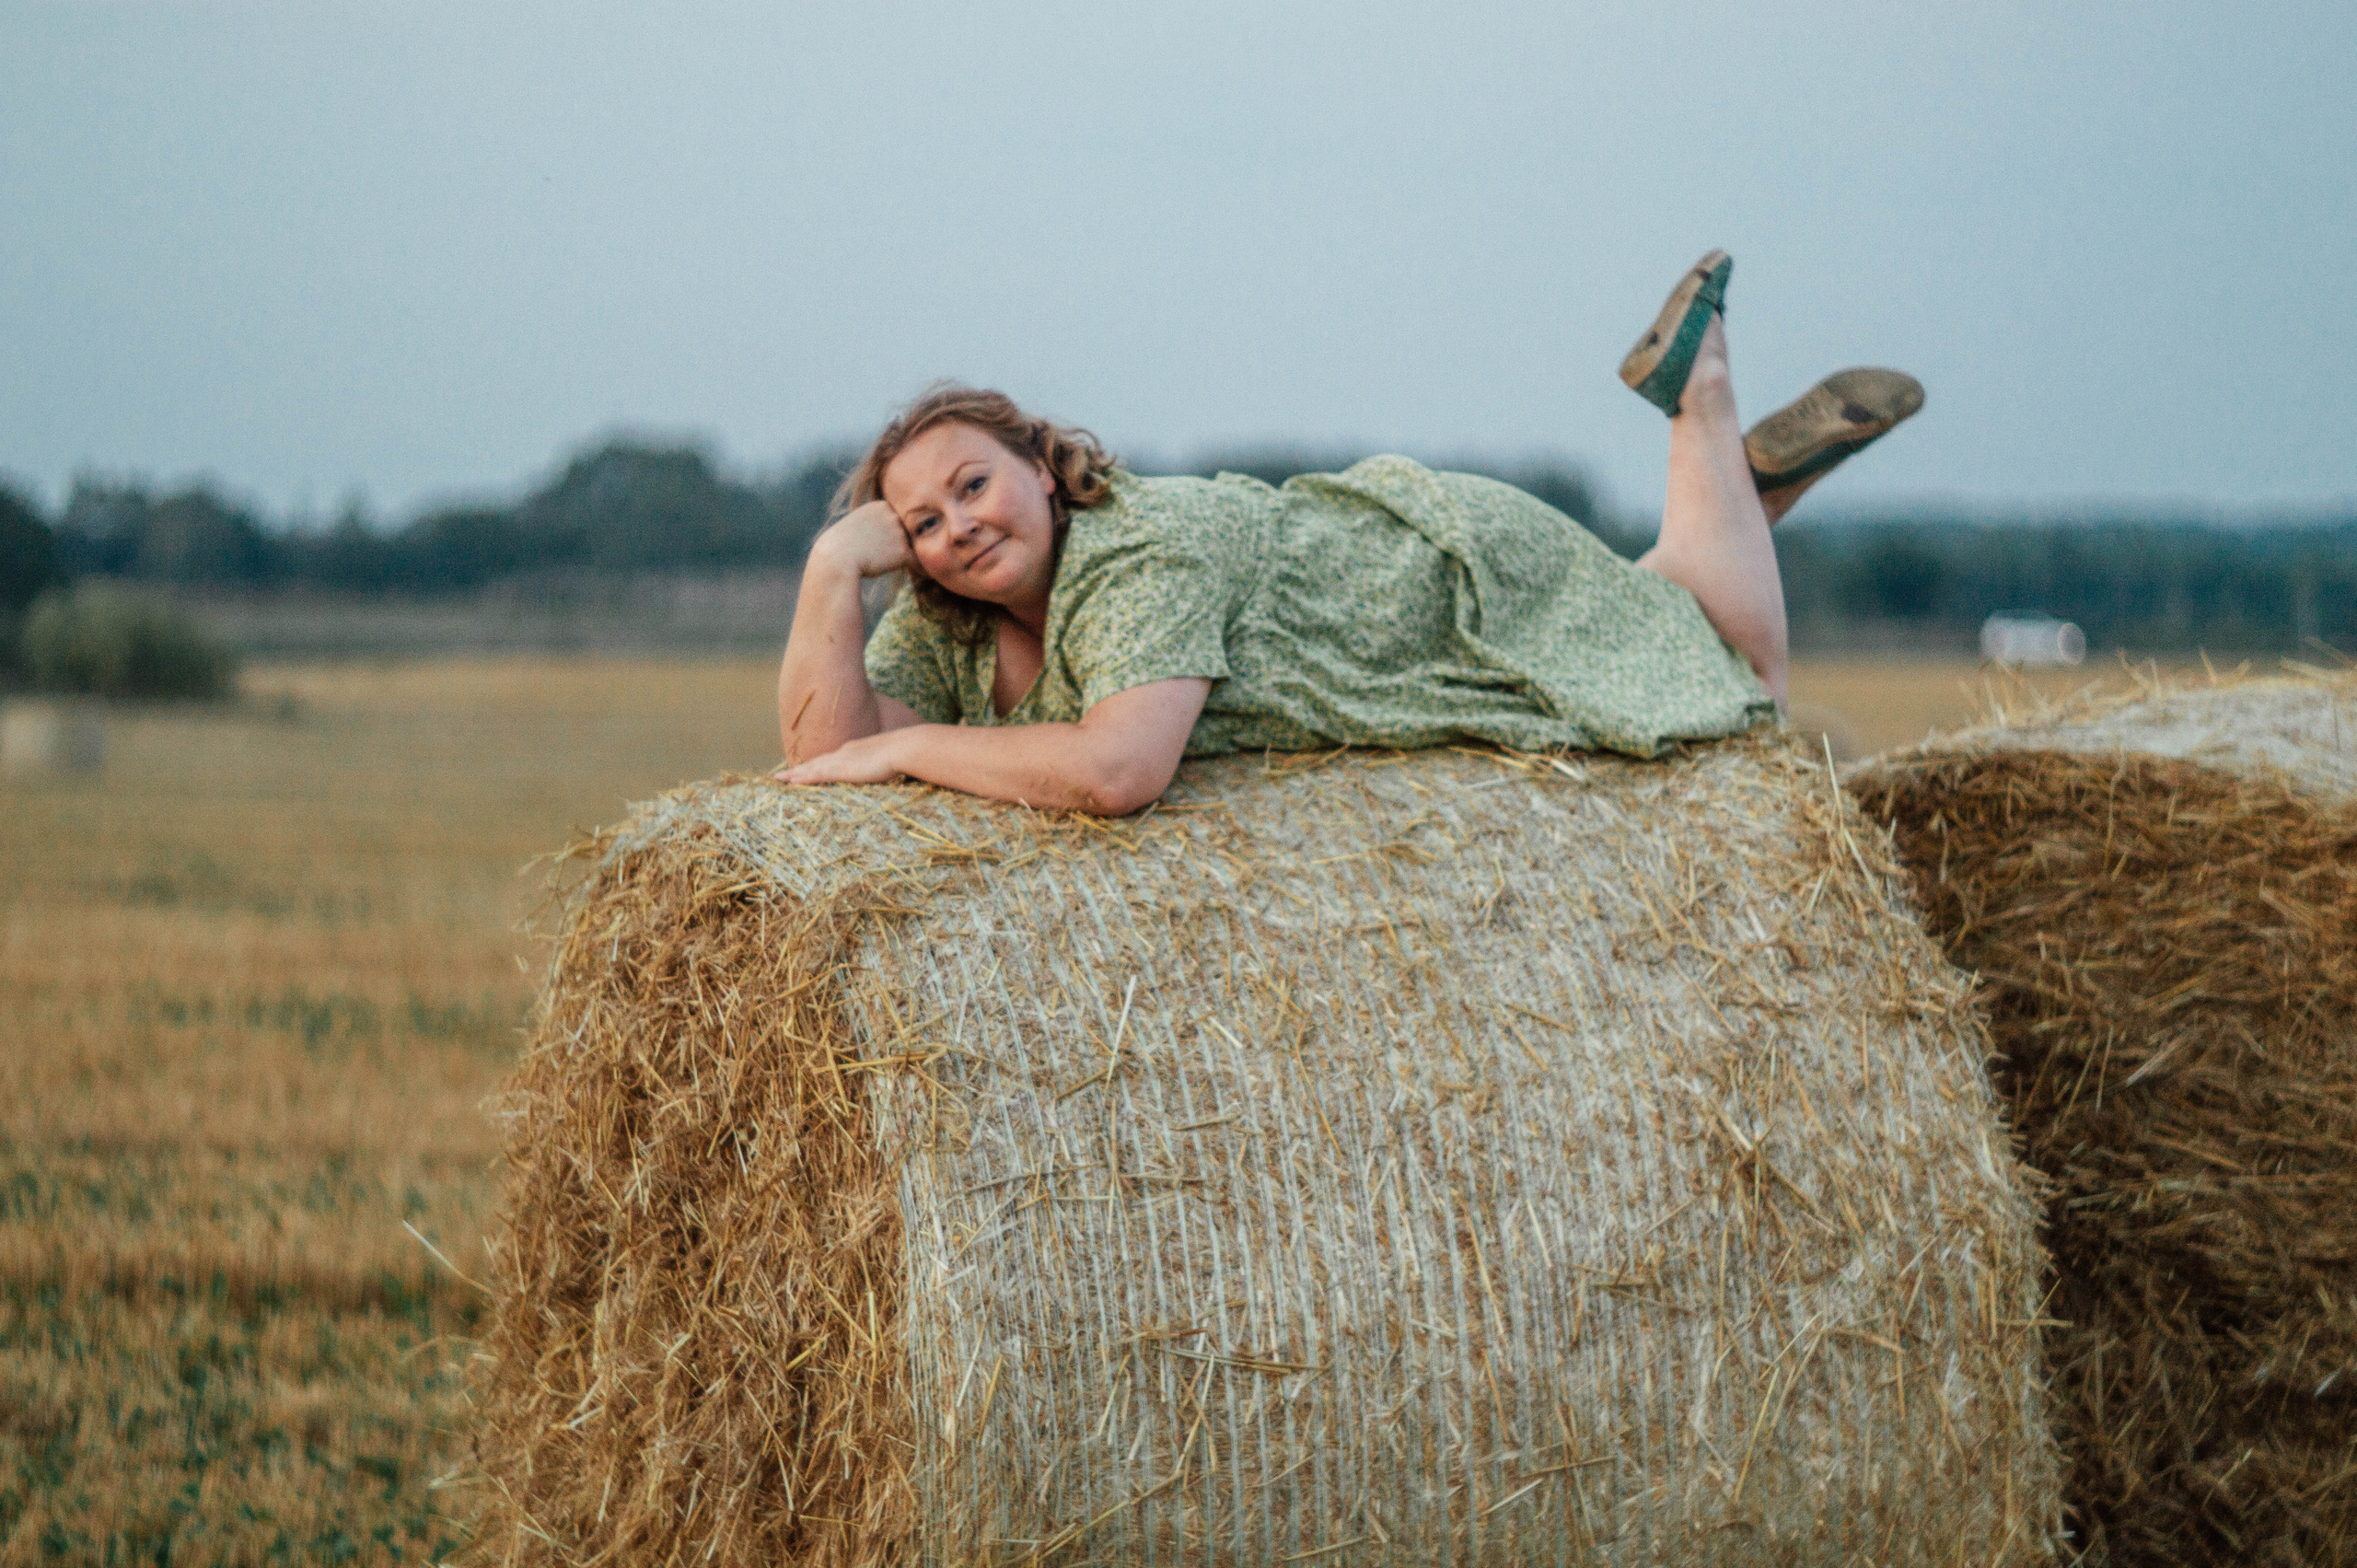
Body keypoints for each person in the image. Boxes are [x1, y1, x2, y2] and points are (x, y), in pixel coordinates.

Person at [774, 252, 1922, 816]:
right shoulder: (954, 614)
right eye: (920, 521)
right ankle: (1738, 490)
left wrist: (910, 746)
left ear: (1041, 464)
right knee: (1657, 603)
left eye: (973, 484)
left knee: (1741, 690)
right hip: (1412, 625)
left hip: (1440, 582)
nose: (956, 526)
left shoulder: (1133, 549)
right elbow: (822, 756)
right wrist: (832, 573)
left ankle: (1700, 401)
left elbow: (1116, 768)